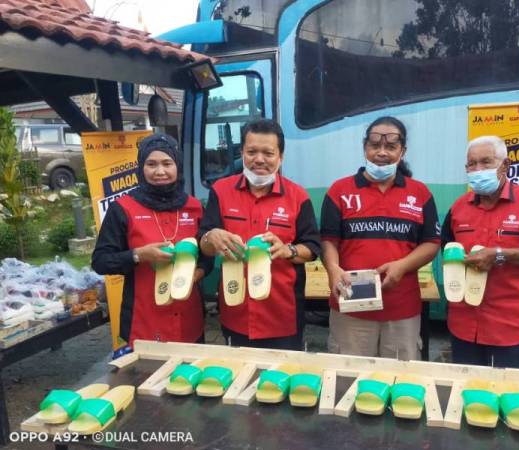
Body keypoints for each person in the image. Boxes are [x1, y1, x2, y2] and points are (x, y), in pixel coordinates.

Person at [320, 116, 441, 360]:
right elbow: (328, 241)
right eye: (375, 146)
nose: (382, 153)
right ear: (365, 148)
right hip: (351, 306)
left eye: (391, 147)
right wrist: (333, 269)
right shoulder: (339, 191)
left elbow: (431, 243)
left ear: (402, 151)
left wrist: (402, 266)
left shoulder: (420, 193)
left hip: (402, 310)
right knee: (350, 380)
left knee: (400, 385)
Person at [441, 135, 519, 369]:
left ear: (505, 165)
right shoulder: (458, 208)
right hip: (464, 322)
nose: (478, 170)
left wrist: (499, 255)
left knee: (512, 397)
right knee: (471, 395)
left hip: (511, 324)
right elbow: (445, 248)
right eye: (472, 164)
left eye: (486, 162)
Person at [199, 119, 321, 350]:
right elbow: (204, 244)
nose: (259, 160)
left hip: (282, 316)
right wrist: (211, 236)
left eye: (268, 153)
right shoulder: (220, 191)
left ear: (280, 157)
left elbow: (313, 248)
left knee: (280, 382)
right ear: (242, 153)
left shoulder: (298, 196)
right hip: (236, 312)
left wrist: (288, 250)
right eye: (251, 151)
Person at [92, 133, 208, 348]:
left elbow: (207, 258)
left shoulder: (194, 207)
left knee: (187, 380)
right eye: (151, 164)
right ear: (141, 168)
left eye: (167, 163)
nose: (160, 171)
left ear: (178, 166)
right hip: (143, 323)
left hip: (189, 320)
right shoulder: (123, 208)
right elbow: (100, 261)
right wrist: (138, 255)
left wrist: (197, 274)